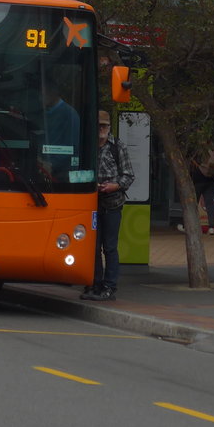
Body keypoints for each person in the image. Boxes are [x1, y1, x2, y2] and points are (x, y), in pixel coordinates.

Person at [82, 110, 134, 302]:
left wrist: (115, 185)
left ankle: (110, 286)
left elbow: (129, 175)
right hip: (91, 202)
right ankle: (94, 283)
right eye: (98, 126)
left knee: (110, 247)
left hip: (112, 203)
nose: (101, 129)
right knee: (93, 246)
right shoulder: (87, 146)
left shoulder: (117, 146)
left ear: (109, 127)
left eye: (104, 126)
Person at [178, 144, 214, 235]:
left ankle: (185, 225)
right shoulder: (213, 148)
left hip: (198, 180)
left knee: (192, 203)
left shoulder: (196, 148)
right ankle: (211, 227)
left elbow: (189, 161)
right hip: (212, 180)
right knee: (209, 204)